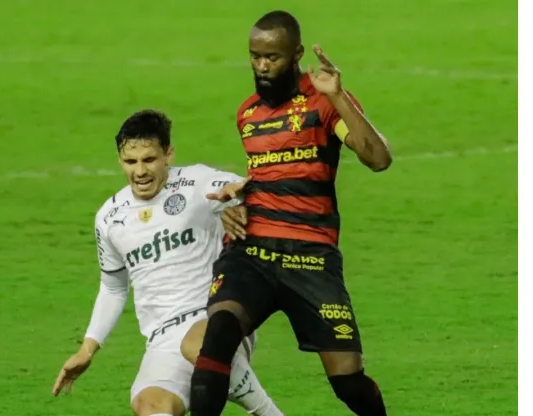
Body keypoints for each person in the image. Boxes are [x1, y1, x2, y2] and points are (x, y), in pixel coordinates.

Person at [187, 10, 393, 416]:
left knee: (348, 381)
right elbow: (264, 175)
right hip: (253, 251)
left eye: (273, 57)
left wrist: (338, 95)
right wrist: (234, 200)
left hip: (311, 257)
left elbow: (378, 159)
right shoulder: (247, 115)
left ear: (296, 53)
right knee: (218, 339)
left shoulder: (324, 105)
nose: (262, 66)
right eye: (255, 56)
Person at [51, 109, 284, 416]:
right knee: (149, 405)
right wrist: (87, 349)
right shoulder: (109, 217)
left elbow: (245, 189)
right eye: (130, 162)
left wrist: (238, 200)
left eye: (149, 160)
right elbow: (114, 287)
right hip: (162, 338)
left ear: (168, 154)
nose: (139, 171)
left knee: (195, 345)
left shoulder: (198, 182)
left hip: (216, 316)